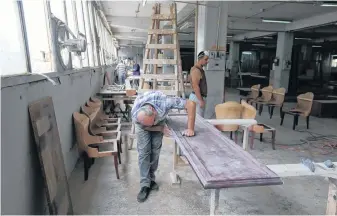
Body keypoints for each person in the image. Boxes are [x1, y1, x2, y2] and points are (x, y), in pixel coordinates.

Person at [131, 91, 196, 202]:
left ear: (154, 112)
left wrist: (190, 128)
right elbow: (145, 126)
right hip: (142, 126)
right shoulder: (136, 113)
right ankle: (144, 185)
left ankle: (151, 179)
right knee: (144, 152)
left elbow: (191, 104)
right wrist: (157, 128)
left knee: (155, 151)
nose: (151, 126)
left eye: (152, 122)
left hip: (158, 122)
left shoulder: (165, 102)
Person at [188, 51, 209, 117]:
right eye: (205, 59)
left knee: (198, 120)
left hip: (198, 97)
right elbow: (195, 86)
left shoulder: (200, 70)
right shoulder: (196, 70)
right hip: (196, 98)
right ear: (200, 59)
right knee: (198, 121)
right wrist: (200, 100)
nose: (207, 61)